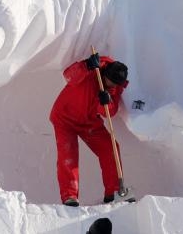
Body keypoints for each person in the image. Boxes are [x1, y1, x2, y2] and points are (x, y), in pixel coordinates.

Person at [49, 52, 129, 206]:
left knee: (110, 148)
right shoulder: (93, 68)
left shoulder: (116, 84)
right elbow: (68, 76)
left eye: (115, 85)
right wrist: (85, 66)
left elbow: (109, 113)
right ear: (105, 73)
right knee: (68, 155)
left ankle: (112, 194)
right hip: (64, 118)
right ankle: (69, 197)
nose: (112, 86)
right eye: (110, 83)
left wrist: (105, 102)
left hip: (89, 122)